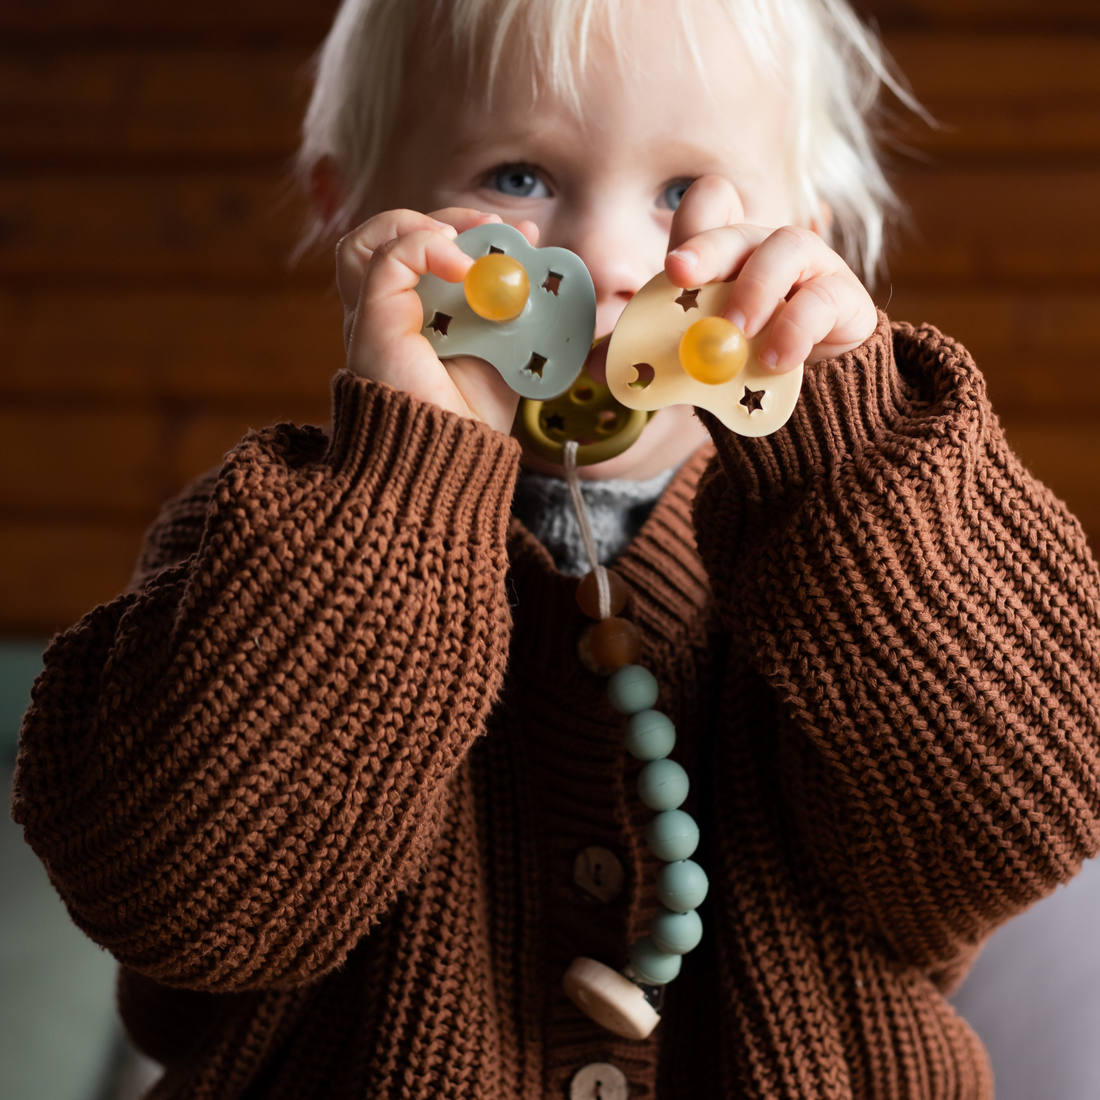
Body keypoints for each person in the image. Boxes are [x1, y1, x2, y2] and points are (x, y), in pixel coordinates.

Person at [12, 1, 1100, 1098]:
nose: (608, 260)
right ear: (350, 212)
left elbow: (1031, 803)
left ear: (801, 239)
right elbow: (178, 902)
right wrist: (398, 493)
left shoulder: (841, 539)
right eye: (518, 176)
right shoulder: (259, 543)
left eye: (682, 192)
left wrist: (846, 446)